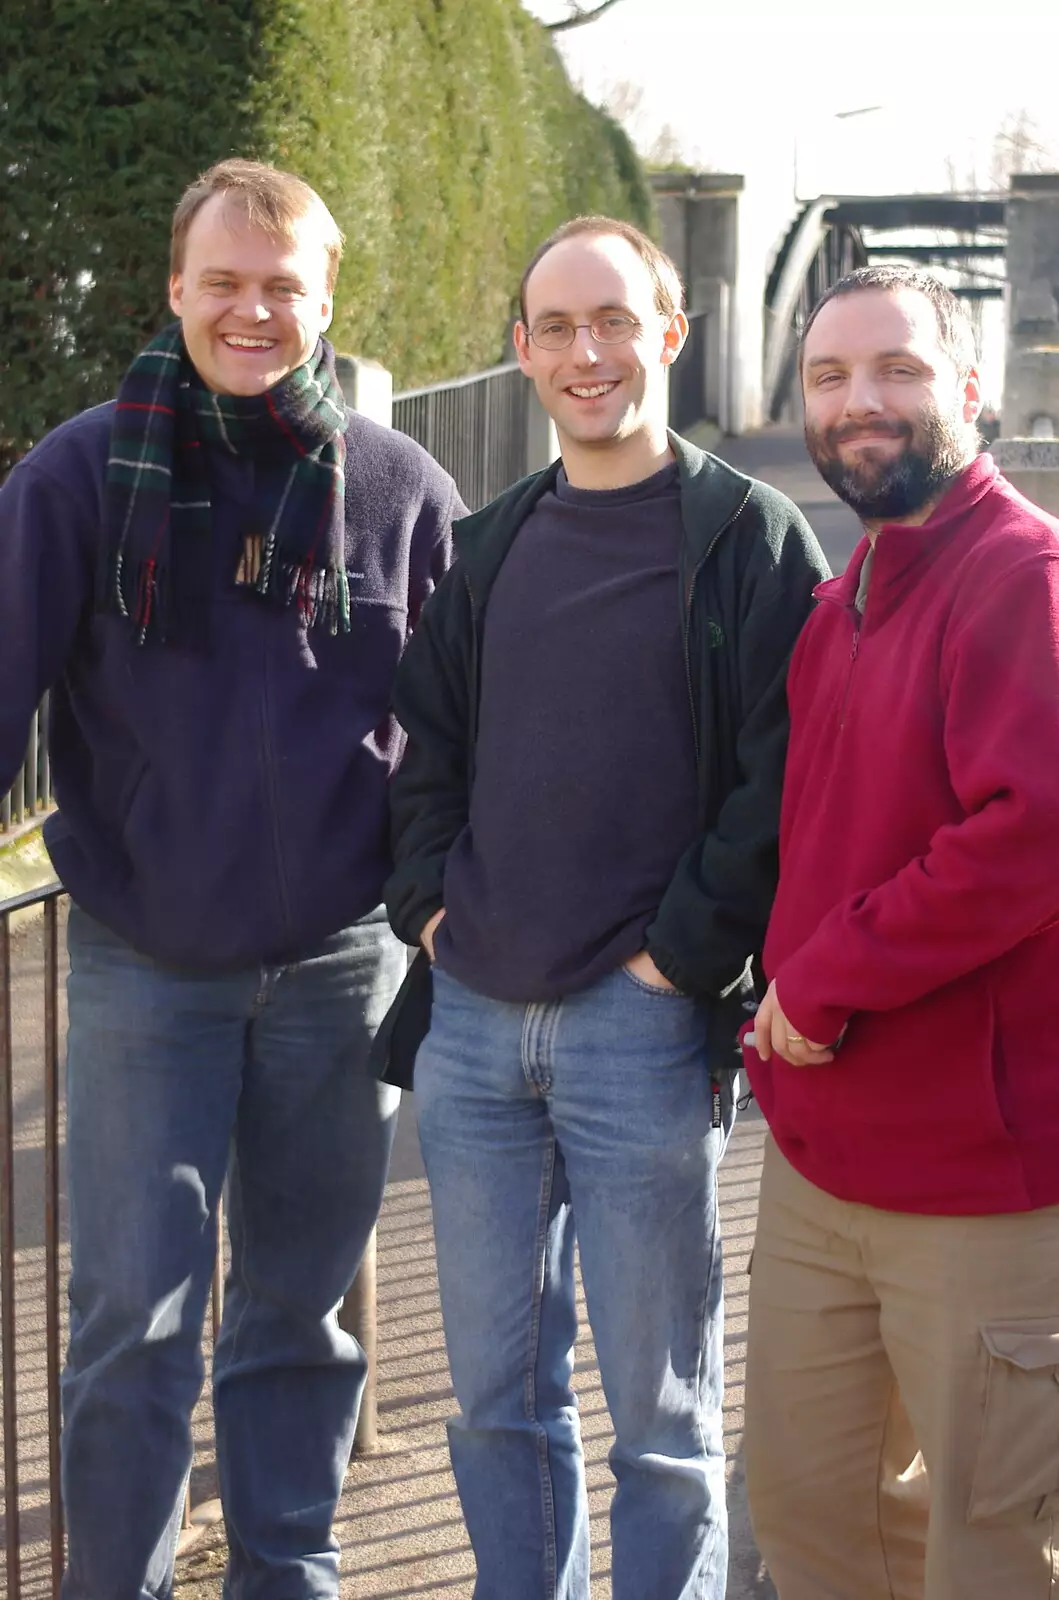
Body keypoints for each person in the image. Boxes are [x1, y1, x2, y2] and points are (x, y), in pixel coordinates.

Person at [0, 158, 462, 1599]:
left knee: (301, 1312)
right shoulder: (81, 472)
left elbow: (463, 730)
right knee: (127, 1315)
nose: (251, 311)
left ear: (326, 302)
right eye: (224, 284)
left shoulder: (400, 489)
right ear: (177, 292)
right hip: (148, 955)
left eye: (282, 287)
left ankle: (288, 1575)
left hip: (342, 965)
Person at [378, 215, 829, 1599]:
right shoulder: (490, 541)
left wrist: (676, 960)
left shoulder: (748, 535)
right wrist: (430, 916)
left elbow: (786, 772)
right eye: (558, 327)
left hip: (641, 1030)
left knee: (663, 1421)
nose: (588, 352)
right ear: (522, 350)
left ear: (669, 334)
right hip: (469, 1032)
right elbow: (425, 746)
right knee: (495, 1404)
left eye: (614, 320)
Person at [741, 264, 1059, 1600]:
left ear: (967, 389)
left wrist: (814, 987)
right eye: (827, 377)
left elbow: (1030, 830)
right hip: (818, 1165)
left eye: (898, 371)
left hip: (980, 1184)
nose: (859, 403)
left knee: (985, 1550)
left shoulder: (1022, 577)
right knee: (811, 1522)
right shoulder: (841, 600)